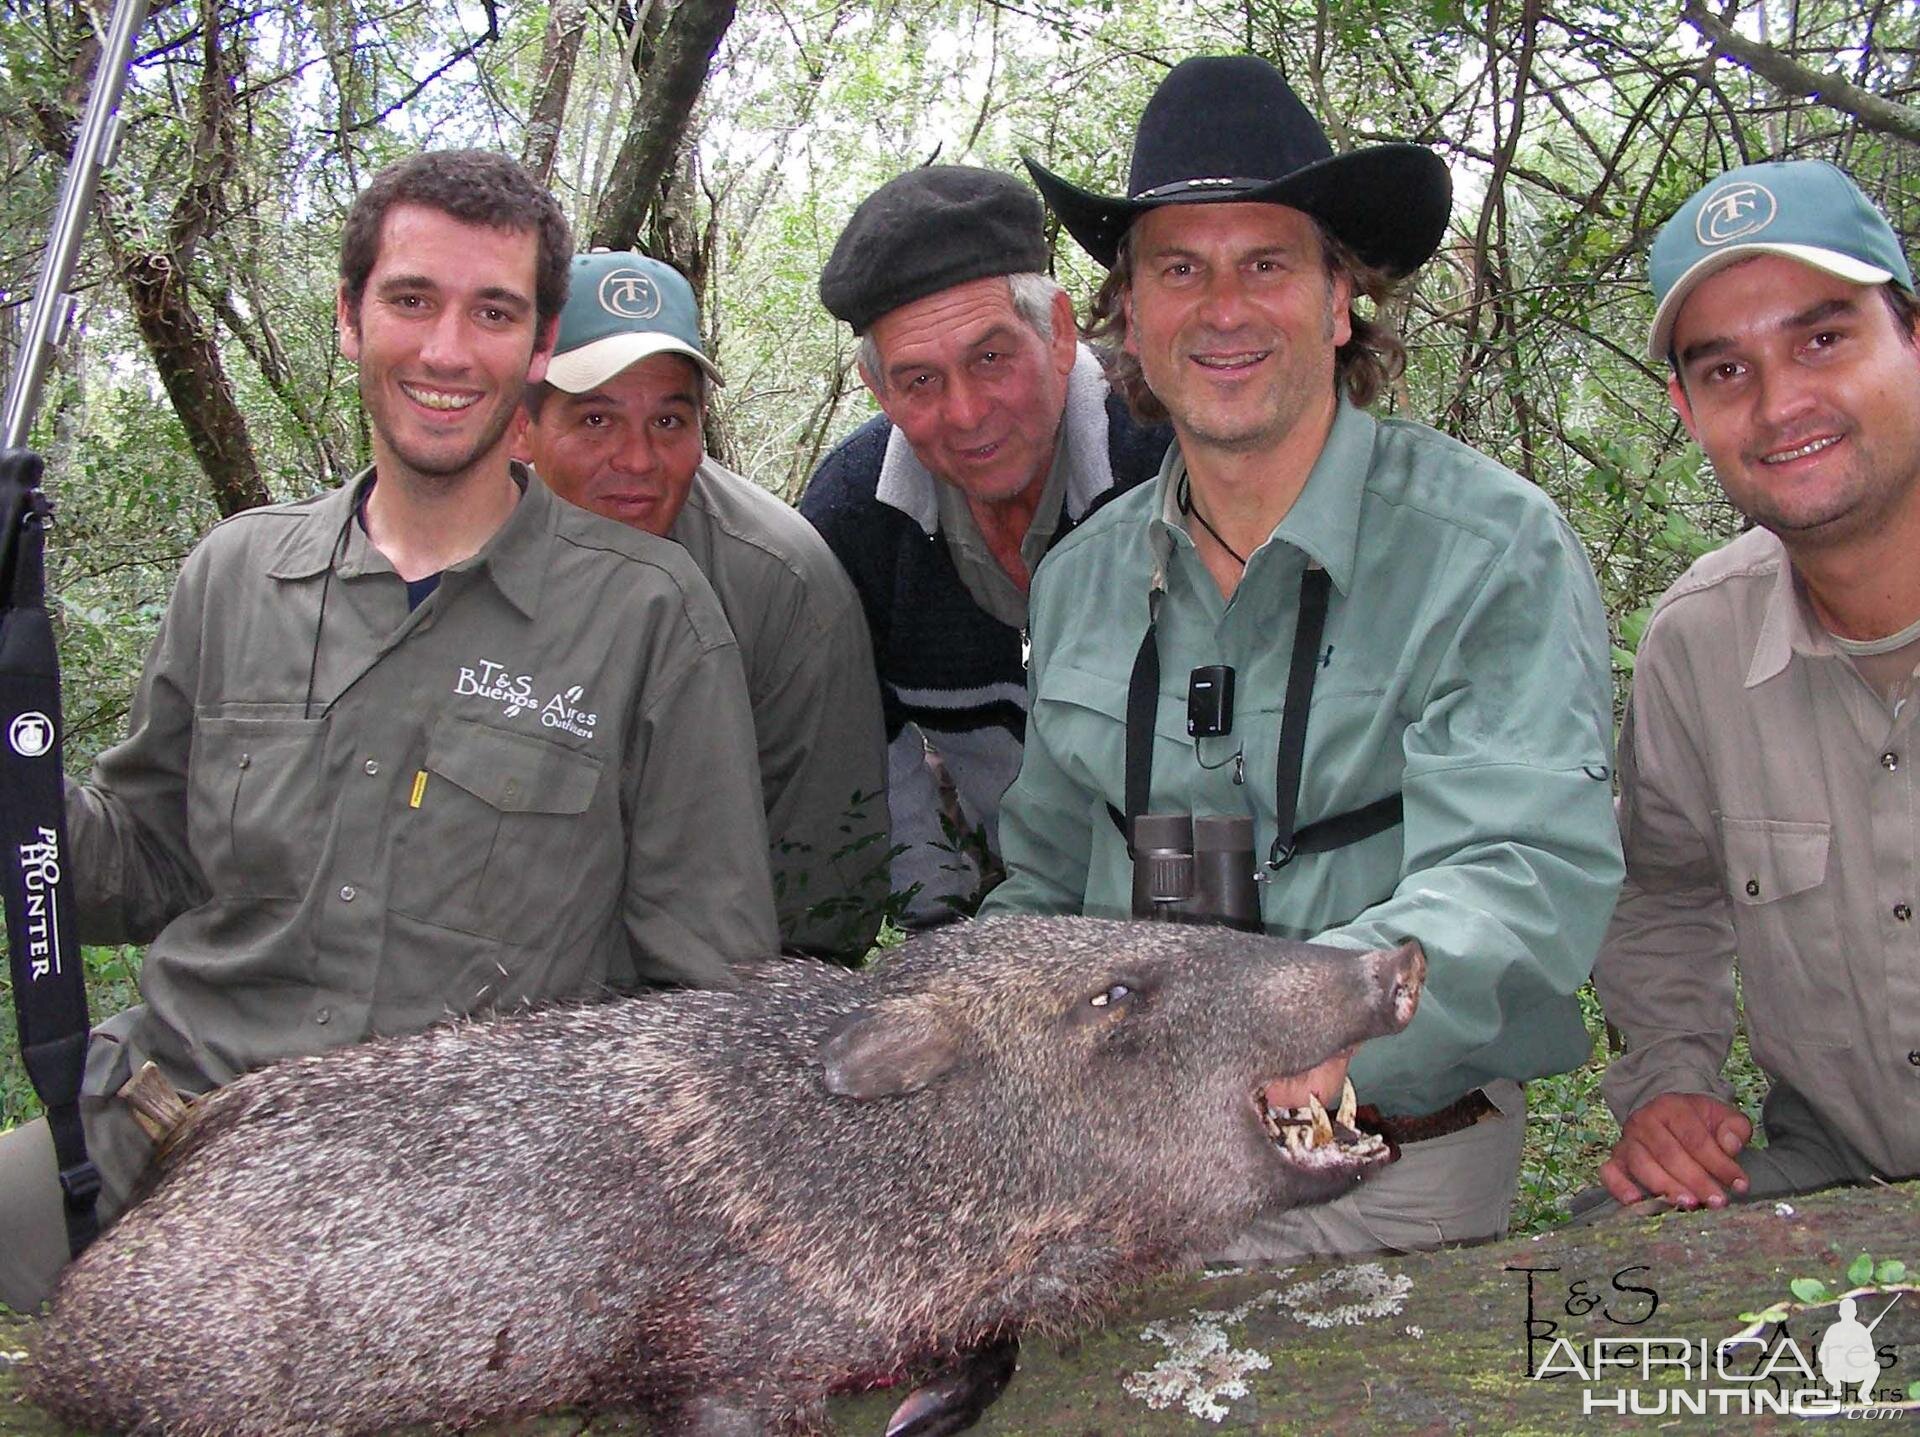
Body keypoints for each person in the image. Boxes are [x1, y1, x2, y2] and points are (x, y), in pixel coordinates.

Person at [0, 151, 777, 1310]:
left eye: (493, 312)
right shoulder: (234, 574)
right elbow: (138, 864)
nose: (449, 351)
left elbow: (712, 1000)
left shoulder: (649, 618)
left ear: (539, 344)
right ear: (350, 316)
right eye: (412, 300)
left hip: (449, 1202)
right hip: (156, 1130)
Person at [982, 55, 1622, 1261]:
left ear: (1339, 302)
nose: (1223, 307)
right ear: (1130, 317)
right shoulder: (1081, 581)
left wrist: (1317, 1019)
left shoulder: (1487, 552)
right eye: (1179, 268)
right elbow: (1046, 883)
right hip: (1124, 1177)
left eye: (1266, 263)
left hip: (1384, 1170)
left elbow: (1523, 867)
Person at [1592, 160, 1920, 1212]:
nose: (1783, 404)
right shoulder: (1701, 644)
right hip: (1835, 1165)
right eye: (1727, 371)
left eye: (1824, 339)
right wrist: (1672, 1085)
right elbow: (1661, 888)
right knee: (1601, 1268)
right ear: (1688, 409)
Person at [801, 166, 1170, 925]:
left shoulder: (1163, 457)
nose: (965, 412)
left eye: (991, 358)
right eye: (921, 379)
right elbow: (879, 756)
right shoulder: (855, 518)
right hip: (1013, 900)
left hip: (1195, 891)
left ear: (1060, 334)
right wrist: (938, 933)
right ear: (881, 393)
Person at [515, 251, 888, 960]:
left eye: (668, 421)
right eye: (596, 419)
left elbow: (829, 879)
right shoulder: (458, 543)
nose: (637, 460)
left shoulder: (784, 586)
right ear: (523, 426)